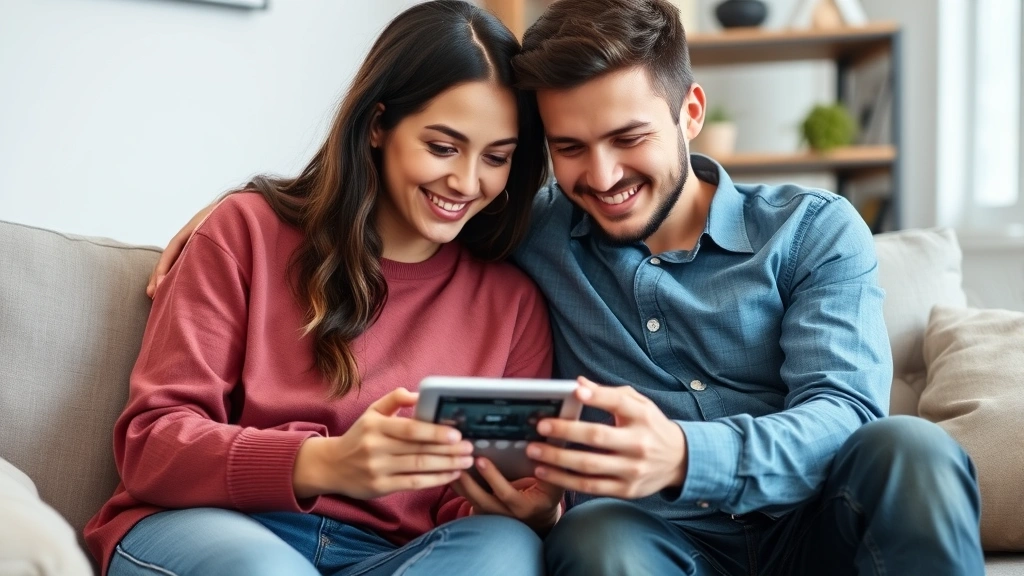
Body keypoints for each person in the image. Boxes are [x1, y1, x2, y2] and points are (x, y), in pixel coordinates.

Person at [149, 0, 986, 574]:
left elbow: (844, 411)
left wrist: (685, 455)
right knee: (594, 536)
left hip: (810, 516)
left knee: (911, 448)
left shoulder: (812, 231)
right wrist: (247, 209)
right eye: (570, 149)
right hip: (653, 537)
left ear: (690, 112)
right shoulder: (531, 231)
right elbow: (382, 203)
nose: (605, 175)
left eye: (628, 137)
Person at [84, 2, 564, 575]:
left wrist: (523, 507)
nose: (466, 181)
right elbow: (152, 443)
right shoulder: (246, 233)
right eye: (442, 147)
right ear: (379, 124)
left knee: (506, 551)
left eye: (497, 157)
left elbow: (459, 505)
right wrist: (325, 463)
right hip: (219, 527)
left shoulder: (511, 303)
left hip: (386, 557)